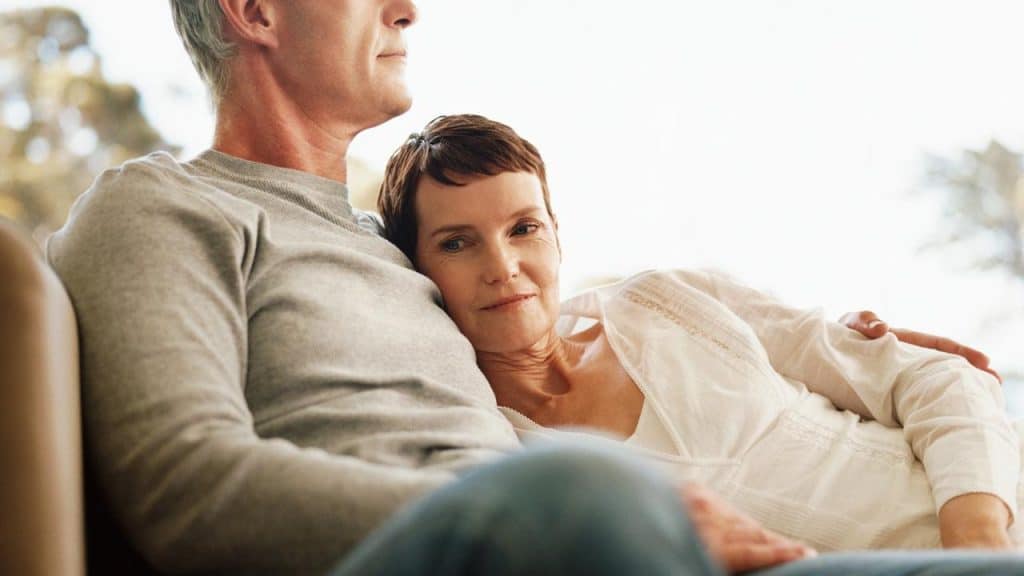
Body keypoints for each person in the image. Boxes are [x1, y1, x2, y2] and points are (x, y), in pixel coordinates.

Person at [41, 0, 1016, 574]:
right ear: (252, 9)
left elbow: (547, 319)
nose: (408, 7)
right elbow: (183, 484)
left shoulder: (396, 262)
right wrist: (531, 509)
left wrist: (849, 342)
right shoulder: (160, 207)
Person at [377, 113, 1024, 553]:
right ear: (419, 269)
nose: (503, 268)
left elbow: (934, 377)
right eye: (458, 243)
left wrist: (977, 539)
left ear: (557, 236)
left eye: (524, 229)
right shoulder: (499, 446)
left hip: (992, 504)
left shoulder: (669, 301)